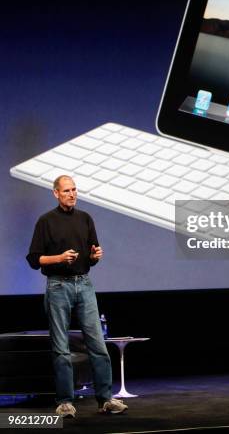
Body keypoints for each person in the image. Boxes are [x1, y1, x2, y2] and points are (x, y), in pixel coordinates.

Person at [26, 175, 128, 418]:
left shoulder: (85, 218)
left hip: (84, 284)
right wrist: (59, 258)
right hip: (58, 286)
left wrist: (95, 255)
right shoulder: (46, 221)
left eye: (74, 190)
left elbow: (93, 252)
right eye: (66, 191)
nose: (72, 194)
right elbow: (33, 259)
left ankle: (106, 399)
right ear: (56, 193)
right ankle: (65, 402)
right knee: (61, 347)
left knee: (98, 344)